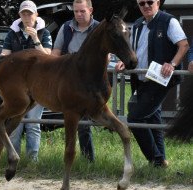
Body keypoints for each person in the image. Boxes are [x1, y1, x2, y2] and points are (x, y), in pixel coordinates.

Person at [116, 0, 188, 167]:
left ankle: (155, 159)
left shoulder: (169, 21)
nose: (146, 6)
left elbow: (183, 45)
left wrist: (172, 64)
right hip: (140, 79)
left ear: (158, 2)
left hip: (158, 79)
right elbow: (135, 50)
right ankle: (160, 160)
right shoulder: (138, 23)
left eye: (150, 2)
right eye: (142, 3)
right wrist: (125, 62)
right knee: (153, 119)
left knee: (134, 117)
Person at [1, 0, 52, 161]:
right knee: (15, 124)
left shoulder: (45, 33)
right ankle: (13, 158)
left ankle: (32, 162)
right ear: (20, 15)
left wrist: (36, 39)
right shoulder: (12, 33)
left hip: (38, 85)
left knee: (33, 123)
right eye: (24, 13)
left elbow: (48, 58)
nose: (27, 16)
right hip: (17, 86)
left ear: (36, 14)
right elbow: (5, 54)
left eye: (30, 13)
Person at [51, 0, 99, 162]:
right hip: (69, 81)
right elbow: (56, 52)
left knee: (83, 124)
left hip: (91, 82)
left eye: (82, 11)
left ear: (90, 10)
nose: (78, 14)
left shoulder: (99, 28)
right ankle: (86, 161)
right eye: (76, 11)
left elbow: (106, 55)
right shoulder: (66, 28)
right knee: (76, 122)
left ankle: (88, 160)